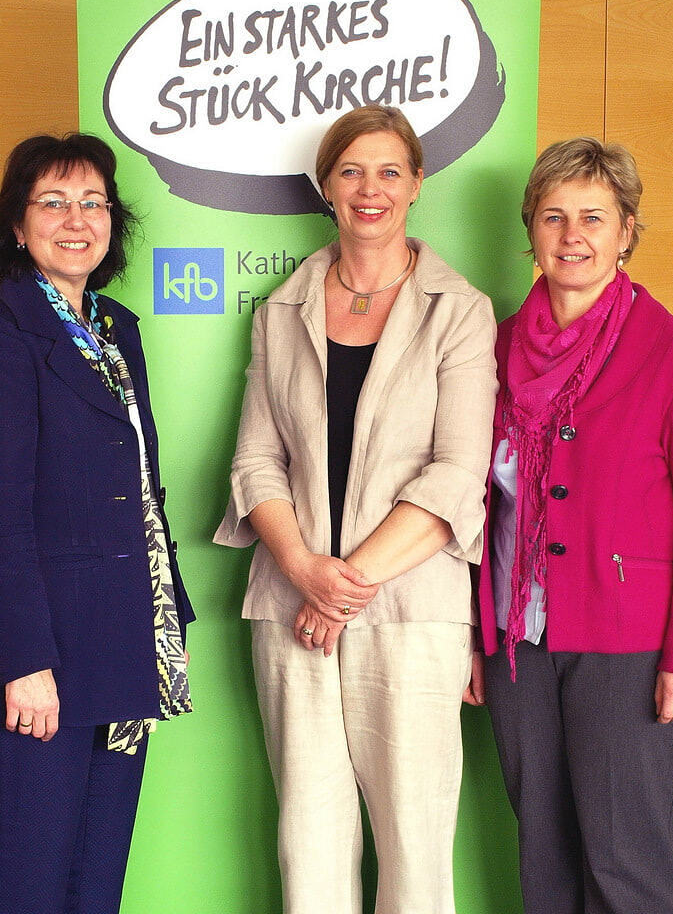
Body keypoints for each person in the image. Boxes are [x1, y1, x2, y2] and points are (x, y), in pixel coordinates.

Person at [214, 105, 496, 914]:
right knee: (308, 838)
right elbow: (254, 461)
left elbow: (455, 474)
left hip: (411, 611)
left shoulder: (459, 310)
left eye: (388, 171)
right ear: (325, 188)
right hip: (290, 608)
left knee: (414, 843)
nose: (369, 189)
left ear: (415, 186)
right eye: (350, 171)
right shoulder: (281, 308)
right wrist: (306, 572)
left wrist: (347, 586)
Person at [477, 137, 673, 914]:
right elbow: (478, 508)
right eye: (552, 216)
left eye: (593, 216)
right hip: (517, 645)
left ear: (625, 230)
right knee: (544, 853)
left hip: (628, 647)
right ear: (530, 230)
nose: (571, 235)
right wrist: (473, 636)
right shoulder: (492, 349)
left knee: (626, 857)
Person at [0, 133, 194, 914]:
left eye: (92, 201)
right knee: (25, 885)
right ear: (17, 228)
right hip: (40, 662)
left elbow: (142, 489)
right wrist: (26, 662)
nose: (76, 218)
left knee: (95, 883)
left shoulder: (116, 329)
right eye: (52, 202)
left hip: (123, 646)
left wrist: (165, 626)